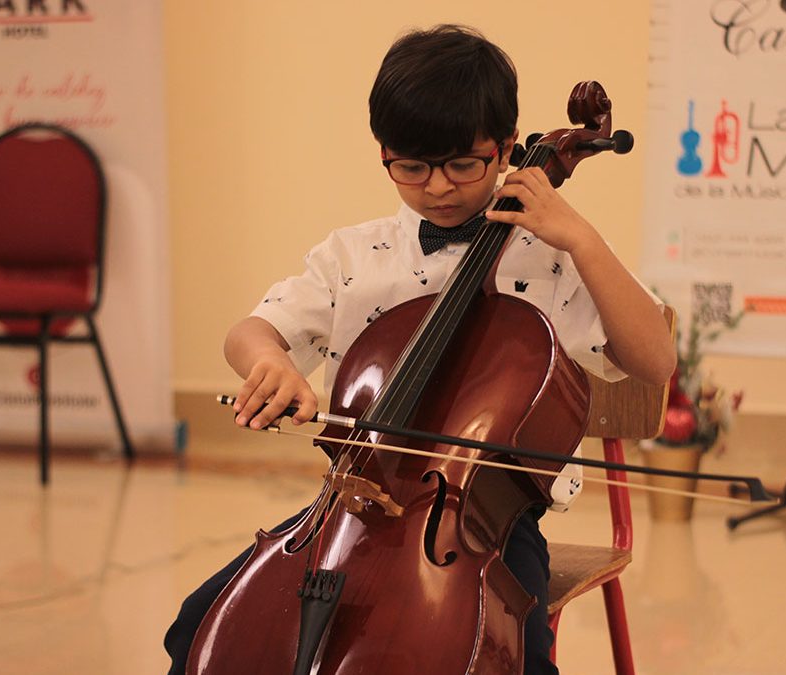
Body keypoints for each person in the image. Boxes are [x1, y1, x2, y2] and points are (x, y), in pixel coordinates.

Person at [164, 24, 675, 675]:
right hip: (350, 506)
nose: (437, 187)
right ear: (384, 152)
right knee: (200, 625)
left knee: (514, 662)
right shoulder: (353, 257)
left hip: (484, 527)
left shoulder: (552, 258)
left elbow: (655, 360)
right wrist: (271, 362)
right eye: (411, 167)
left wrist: (581, 239)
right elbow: (252, 331)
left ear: (507, 148)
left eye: (462, 164)